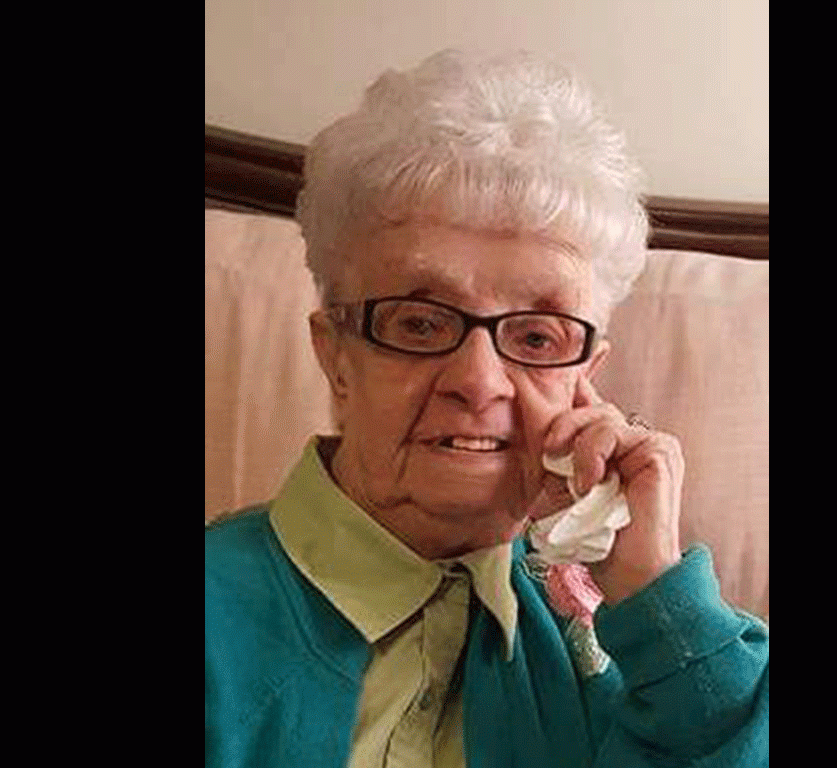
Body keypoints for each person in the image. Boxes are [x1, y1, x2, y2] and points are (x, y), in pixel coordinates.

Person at [205, 49, 768, 768]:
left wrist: (655, 595)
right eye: (419, 322)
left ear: (584, 379)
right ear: (336, 356)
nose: (479, 381)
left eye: (536, 337)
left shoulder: (650, 652)